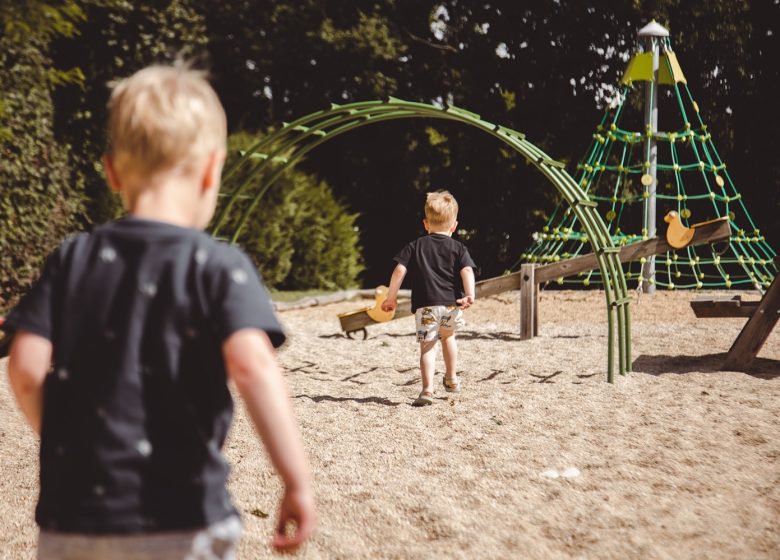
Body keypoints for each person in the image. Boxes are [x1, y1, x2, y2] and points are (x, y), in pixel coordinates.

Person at [2, 62, 315, 559]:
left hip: (73, 520)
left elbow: (23, 367)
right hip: (184, 516)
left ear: (111, 172)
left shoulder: (73, 258)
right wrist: (295, 477)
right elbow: (253, 365)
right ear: (214, 169)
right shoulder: (218, 266)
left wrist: (69, 436)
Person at [381, 191, 476, 407]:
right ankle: (451, 379)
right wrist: (470, 294)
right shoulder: (459, 248)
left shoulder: (415, 245)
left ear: (426, 223)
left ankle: (427, 390)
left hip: (425, 308)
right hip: (451, 305)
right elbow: (467, 271)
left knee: (427, 348)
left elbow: (398, 271)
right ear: (454, 226)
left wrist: (391, 298)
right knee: (448, 338)